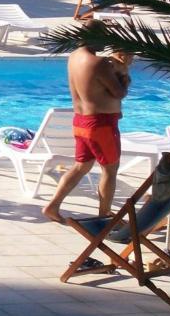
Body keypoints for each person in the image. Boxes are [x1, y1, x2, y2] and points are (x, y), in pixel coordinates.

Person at [43, 21, 129, 223]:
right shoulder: (98, 63)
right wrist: (124, 72)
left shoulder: (73, 57)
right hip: (101, 125)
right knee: (110, 170)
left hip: (81, 122)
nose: (105, 43)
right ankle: (105, 215)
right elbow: (119, 92)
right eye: (103, 38)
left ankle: (52, 205)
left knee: (81, 167)